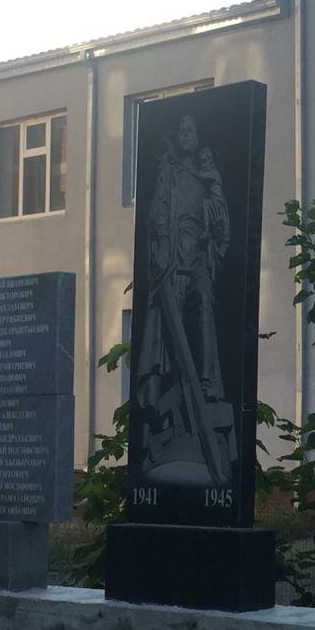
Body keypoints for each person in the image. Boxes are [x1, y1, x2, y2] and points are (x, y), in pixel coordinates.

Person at [134, 114, 236, 486]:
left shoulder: (207, 175)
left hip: (198, 262)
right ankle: (168, 415)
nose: (187, 135)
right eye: (183, 131)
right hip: (173, 263)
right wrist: (162, 249)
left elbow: (221, 228)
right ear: (179, 138)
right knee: (170, 337)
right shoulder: (170, 173)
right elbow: (158, 214)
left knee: (206, 306)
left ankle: (209, 381)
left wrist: (217, 189)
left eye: (192, 130)